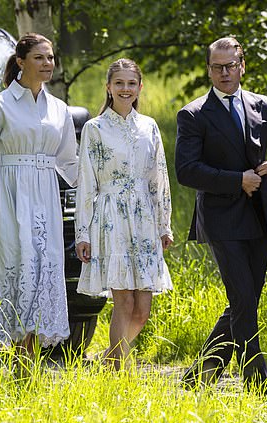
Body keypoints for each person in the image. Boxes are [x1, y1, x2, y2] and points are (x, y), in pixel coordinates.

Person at [175, 37, 267, 392]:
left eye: (230, 65)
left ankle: (198, 376)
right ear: (209, 69)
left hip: (259, 215)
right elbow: (187, 171)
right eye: (216, 66)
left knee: (246, 299)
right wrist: (238, 180)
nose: (223, 72)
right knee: (242, 297)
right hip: (220, 217)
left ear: (242, 65)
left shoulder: (263, 105)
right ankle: (257, 383)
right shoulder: (193, 114)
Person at [0, 33, 79, 354]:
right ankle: (11, 360)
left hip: (46, 198)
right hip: (10, 195)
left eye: (50, 58)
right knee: (15, 266)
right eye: (39, 58)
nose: (47, 64)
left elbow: (69, 163)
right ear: (21, 62)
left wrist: (103, 184)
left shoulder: (59, 109)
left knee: (43, 270)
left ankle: (28, 366)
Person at [75, 58, 174, 370]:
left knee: (142, 309)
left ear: (139, 87)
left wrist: (164, 225)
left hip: (144, 219)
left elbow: (159, 178)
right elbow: (87, 184)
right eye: (119, 83)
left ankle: (108, 360)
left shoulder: (149, 127)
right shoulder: (95, 129)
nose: (125, 89)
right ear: (108, 87)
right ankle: (119, 374)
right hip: (111, 218)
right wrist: (83, 232)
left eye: (131, 83)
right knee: (125, 302)